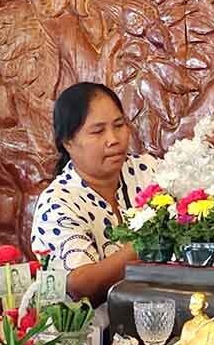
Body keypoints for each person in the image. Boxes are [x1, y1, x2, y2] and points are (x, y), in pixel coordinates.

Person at [31, 82, 138, 304]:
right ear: (68, 142)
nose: (113, 139)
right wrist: (148, 245)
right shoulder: (58, 202)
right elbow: (81, 284)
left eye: (119, 125)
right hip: (89, 334)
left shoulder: (148, 172)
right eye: (98, 131)